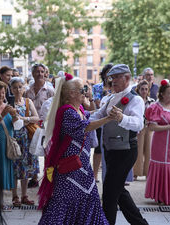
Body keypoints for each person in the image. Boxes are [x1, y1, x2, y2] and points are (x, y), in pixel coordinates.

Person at [38, 74, 112, 224]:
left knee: (87, 197)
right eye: (82, 89)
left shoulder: (78, 110)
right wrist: (108, 118)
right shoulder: (67, 112)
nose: (85, 91)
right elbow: (86, 126)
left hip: (82, 165)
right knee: (66, 200)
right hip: (70, 168)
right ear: (71, 93)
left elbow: (90, 115)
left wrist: (105, 109)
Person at [91, 64, 148, 225]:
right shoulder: (110, 97)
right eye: (112, 77)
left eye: (116, 77)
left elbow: (138, 124)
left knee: (109, 192)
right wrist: (80, 119)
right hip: (111, 149)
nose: (113, 81)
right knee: (118, 191)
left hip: (126, 150)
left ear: (127, 78)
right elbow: (98, 115)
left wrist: (121, 118)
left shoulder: (135, 99)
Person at [144, 79, 170, 205]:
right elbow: (151, 127)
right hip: (160, 145)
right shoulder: (155, 107)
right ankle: (161, 195)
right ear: (162, 94)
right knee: (163, 165)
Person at [9, 77, 40, 206]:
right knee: (14, 167)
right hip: (14, 139)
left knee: (26, 167)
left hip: (27, 138)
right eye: (15, 87)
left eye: (20, 87)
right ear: (10, 89)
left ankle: (24, 195)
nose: (17, 90)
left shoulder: (28, 102)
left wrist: (24, 118)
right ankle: (15, 196)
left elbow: (36, 118)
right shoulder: (8, 103)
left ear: (24, 88)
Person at [0, 81, 18, 212]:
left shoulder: (7, 106)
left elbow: (16, 125)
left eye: (4, 92)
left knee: (4, 173)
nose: (2, 95)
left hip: (7, 144)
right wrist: (3, 114)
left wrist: (15, 116)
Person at [25, 63, 54, 188]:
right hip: (31, 126)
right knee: (32, 151)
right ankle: (34, 177)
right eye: (37, 71)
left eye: (42, 72)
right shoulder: (27, 91)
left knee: (48, 153)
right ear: (32, 73)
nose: (40, 74)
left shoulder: (50, 90)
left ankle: (48, 179)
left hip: (46, 126)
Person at [92, 63, 113, 181]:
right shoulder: (97, 87)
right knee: (98, 148)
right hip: (100, 120)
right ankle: (95, 174)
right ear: (104, 74)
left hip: (112, 121)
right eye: (108, 72)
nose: (110, 75)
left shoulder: (117, 87)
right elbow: (98, 104)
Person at [133, 79, 155, 180]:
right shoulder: (135, 101)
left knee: (148, 151)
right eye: (142, 89)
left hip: (149, 127)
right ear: (139, 89)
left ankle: (148, 173)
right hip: (139, 128)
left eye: (146, 89)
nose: (144, 91)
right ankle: (136, 173)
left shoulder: (152, 101)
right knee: (138, 150)